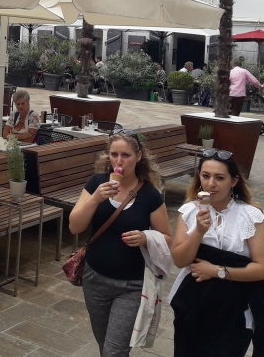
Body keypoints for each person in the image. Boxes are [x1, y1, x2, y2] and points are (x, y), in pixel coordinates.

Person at [69, 131, 172, 357]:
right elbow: (75, 227)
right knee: (104, 345)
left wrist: (146, 237)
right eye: (114, 154)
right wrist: (95, 199)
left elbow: (167, 237)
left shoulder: (150, 195)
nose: (119, 161)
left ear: (138, 156)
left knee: (114, 351)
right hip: (95, 278)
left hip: (132, 285)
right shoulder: (97, 183)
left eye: (125, 155)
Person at [169, 149, 264, 357]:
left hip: (234, 306)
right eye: (205, 176)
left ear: (233, 181)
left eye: (219, 178)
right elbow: (180, 260)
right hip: (194, 303)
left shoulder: (250, 215)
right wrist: (198, 231)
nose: (211, 184)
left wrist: (217, 271)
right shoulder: (189, 211)